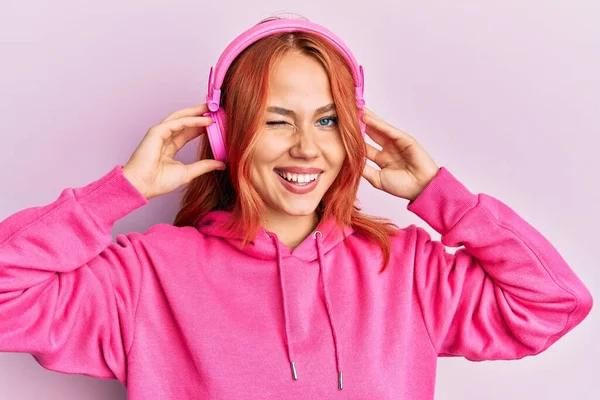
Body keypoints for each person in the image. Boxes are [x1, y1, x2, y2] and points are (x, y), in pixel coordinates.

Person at [0, 16, 593, 400]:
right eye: (276, 120)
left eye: (329, 121)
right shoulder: (144, 274)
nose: (307, 146)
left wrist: (442, 197)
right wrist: (119, 192)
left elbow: (554, 303)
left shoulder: (408, 269)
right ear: (228, 137)